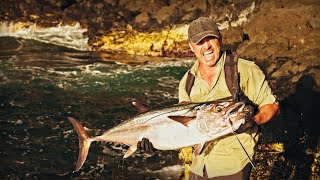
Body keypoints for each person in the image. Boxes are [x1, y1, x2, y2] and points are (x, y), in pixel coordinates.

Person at [138, 17, 280, 179]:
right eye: (200, 42)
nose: (207, 46)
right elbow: (184, 130)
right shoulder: (187, 81)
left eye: (210, 39)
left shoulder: (244, 69)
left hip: (233, 165)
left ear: (219, 39)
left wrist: (254, 120)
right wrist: (156, 142)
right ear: (191, 47)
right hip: (198, 167)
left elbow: (272, 106)